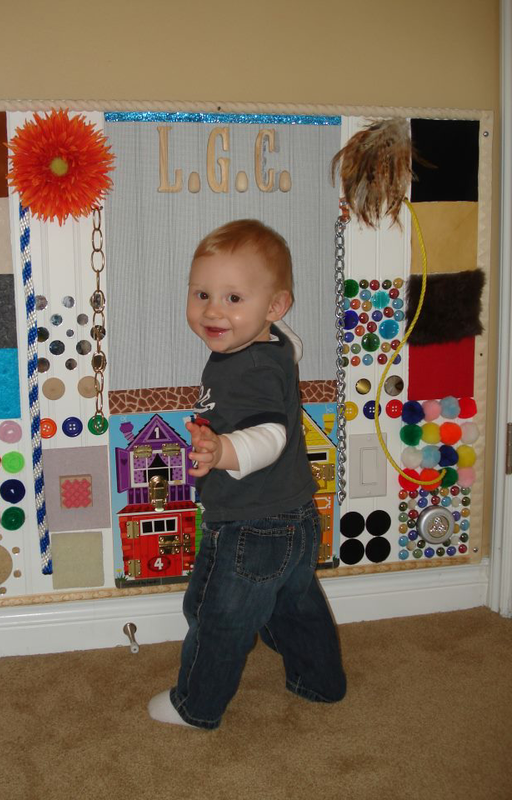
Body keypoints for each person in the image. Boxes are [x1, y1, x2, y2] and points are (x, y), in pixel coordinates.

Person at [148, 219, 346, 730]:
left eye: (234, 298)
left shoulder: (250, 368)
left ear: (274, 307)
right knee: (294, 606)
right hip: (293, 515)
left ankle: (197, 706)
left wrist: (223, 451)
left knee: (218, 618)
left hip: (252, 525)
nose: (213, 310)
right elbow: (290, 347)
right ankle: (320, 680)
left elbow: (271, 436)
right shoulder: (271, 347)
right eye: (202, 294)